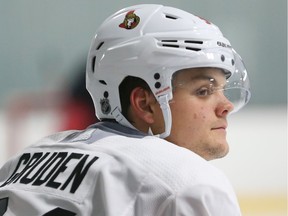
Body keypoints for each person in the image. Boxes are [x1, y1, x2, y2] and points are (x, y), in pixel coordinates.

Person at [0, 4, 251, 215]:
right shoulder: (189, 183)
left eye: (223, 89)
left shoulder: (20, 163)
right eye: (204, 91)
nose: (226, 106)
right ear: (144, 104)